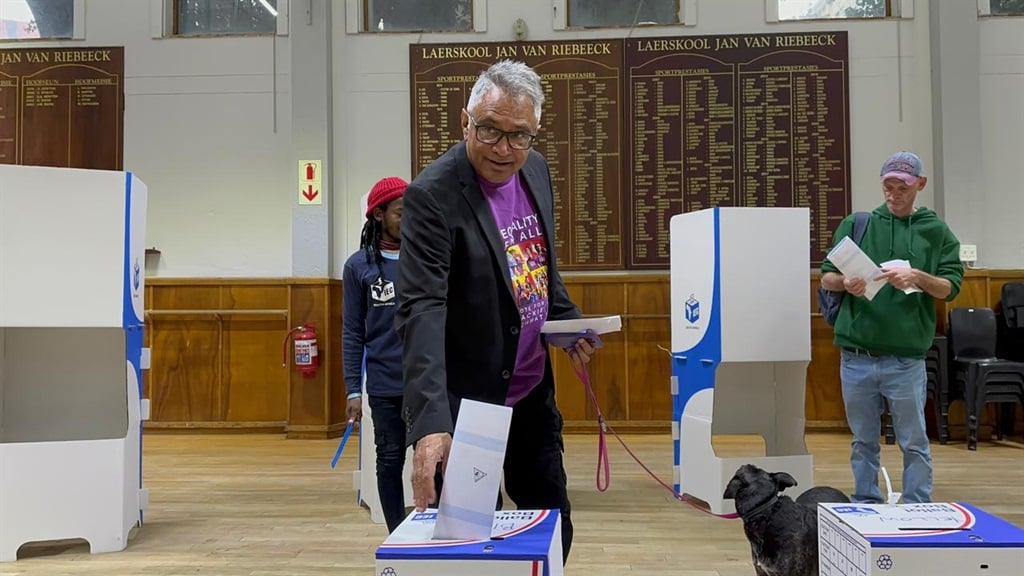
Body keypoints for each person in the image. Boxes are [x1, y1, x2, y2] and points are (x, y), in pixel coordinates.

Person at [394, 59, 595, 564]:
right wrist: (430, 423)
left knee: (553, 528)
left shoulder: (537, 169)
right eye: (489, 131)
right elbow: (422, 308)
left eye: (519, 135)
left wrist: (568, 323)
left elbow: (537, 265)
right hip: (468, 403)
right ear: (465, 121)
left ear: (536, 131)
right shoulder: (432, 196)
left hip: (531, 393)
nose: (504, 149)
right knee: (467, 542)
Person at [820, 151, 964, 504]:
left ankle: (917, 504)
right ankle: (865, 501)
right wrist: (846, 282)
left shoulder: (936, 231)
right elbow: (826, 276)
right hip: (857, 355)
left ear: (920, 185)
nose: (894, 193)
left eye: (903, 187)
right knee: (862, 439)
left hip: (906, 359)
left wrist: (918, 276)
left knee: (913, 440)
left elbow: (950, 287)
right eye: (888, 185)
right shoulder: (858, 223)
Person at [342, 176, 409, 534]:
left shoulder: (426, 257)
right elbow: (353, 331)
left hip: (429, 383)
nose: (409, 218)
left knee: (440, 461)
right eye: (401, 212)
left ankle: (441, 538)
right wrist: (354, 389)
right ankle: (397, 535)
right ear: (379, 214)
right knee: (390, 460)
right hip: (384, 384)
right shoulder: (359, 267)